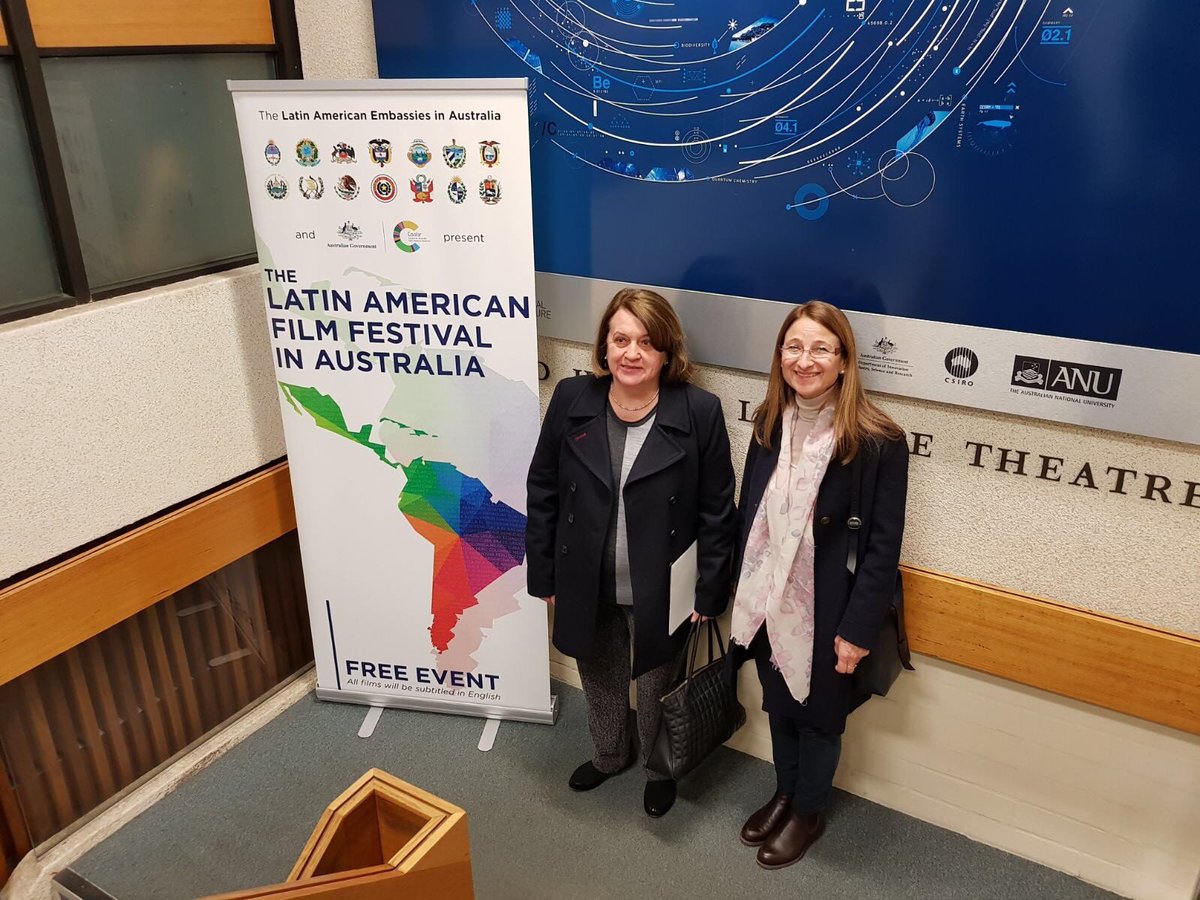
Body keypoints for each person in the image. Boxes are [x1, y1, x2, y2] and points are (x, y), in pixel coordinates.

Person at [526, 287, 737, 818]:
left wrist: (709, 591)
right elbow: (543, 488)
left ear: (667, 351)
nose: (632, 353)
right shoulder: (572, 399)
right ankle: (609, 754)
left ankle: (659, 768)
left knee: (658, 681)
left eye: (646, 342)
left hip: (663, 586)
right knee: (599, 674)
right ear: (604, 345)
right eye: (620, 339)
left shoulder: (700, 412)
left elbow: (717, 510)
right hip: (585, 578)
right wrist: (544, 574)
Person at [730, 300, 908, 868]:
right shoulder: (768, 422)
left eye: (820, 349)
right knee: (780, 705)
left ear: (844, 359)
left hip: (831, 606)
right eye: (794, 347)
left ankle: (808, 812)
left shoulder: (878, 440)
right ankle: (785, 794)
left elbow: (883, 547)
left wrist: (857, 630)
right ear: (780, 354)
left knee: (820, 718)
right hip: (768, 597)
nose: (804, 361)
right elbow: (748, 513)